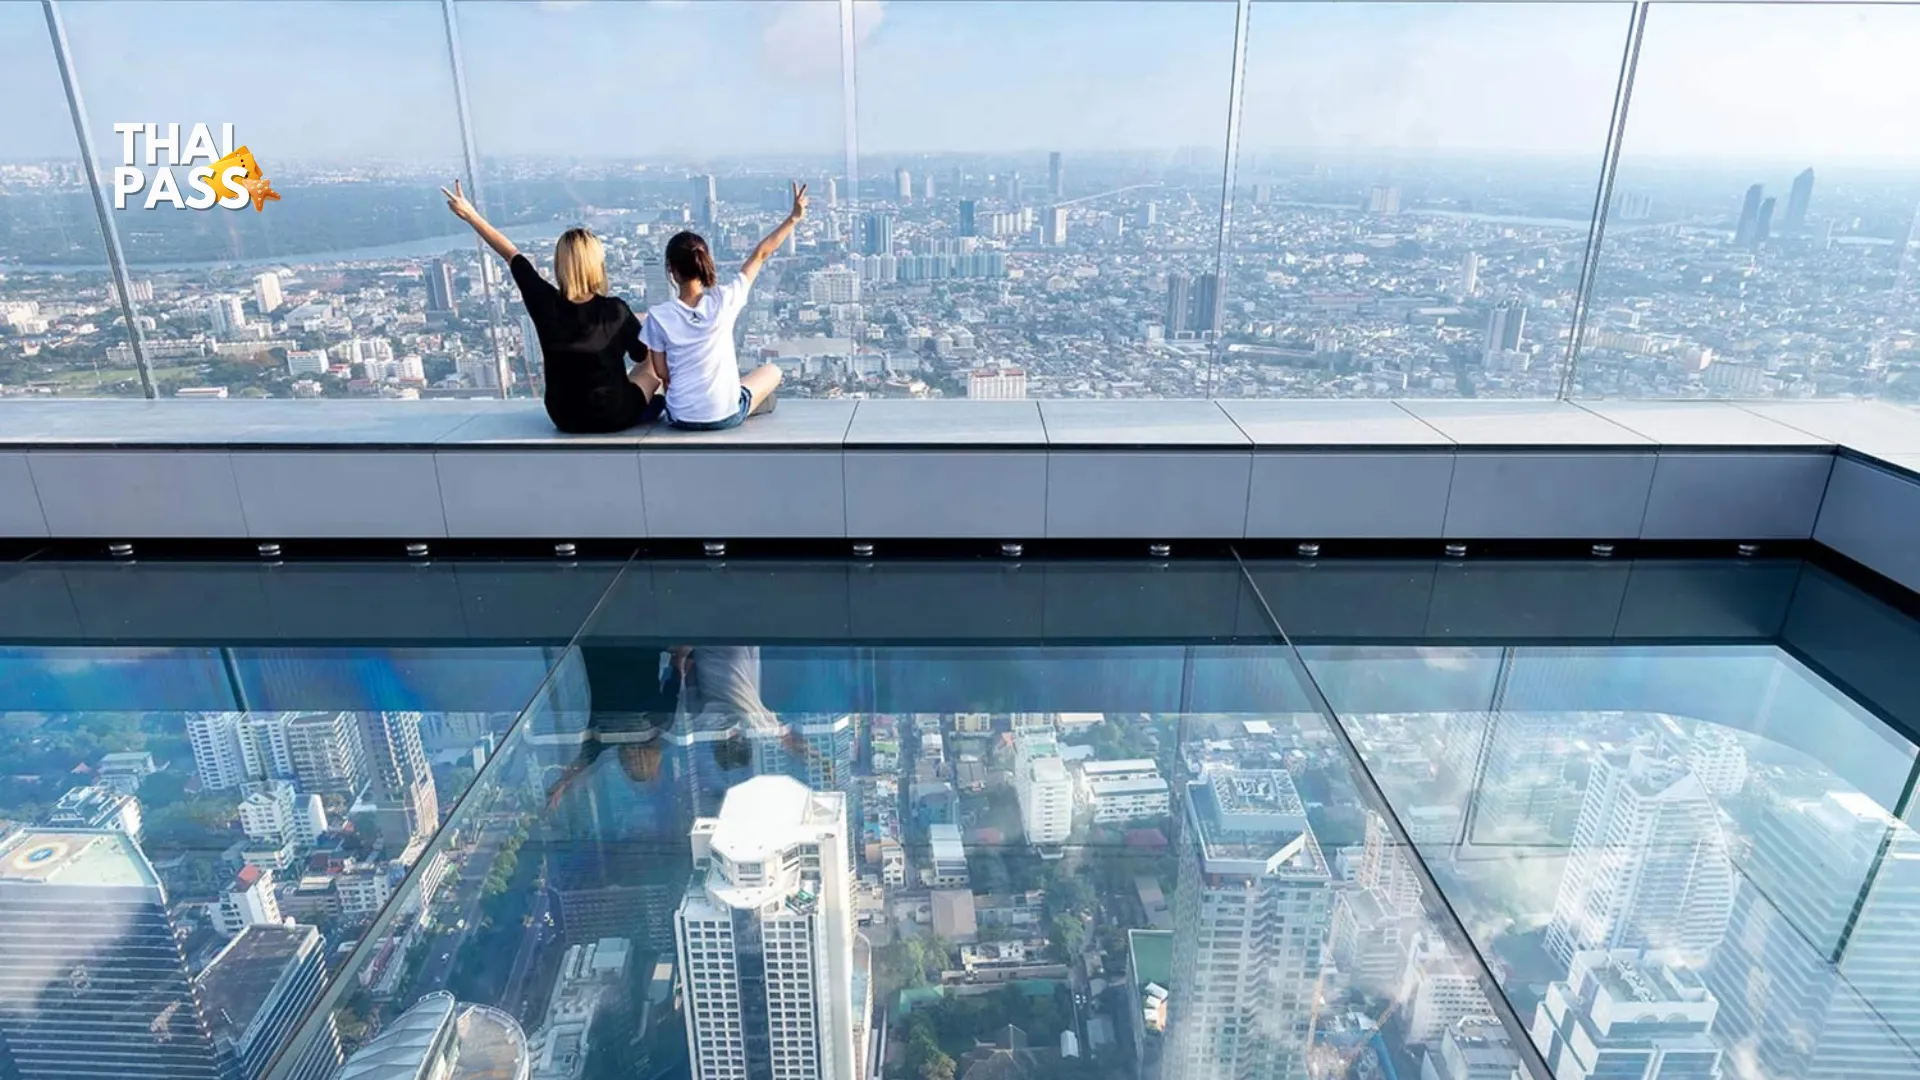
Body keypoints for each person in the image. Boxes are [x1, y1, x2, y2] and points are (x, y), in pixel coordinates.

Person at [441, 180, 662, 434]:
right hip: (613, 413)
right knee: (651, 369)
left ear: (560, 264)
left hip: (565, 416)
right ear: (597, 264)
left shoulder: (543, 301)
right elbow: (643, 357)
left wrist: (470, 215)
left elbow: (511, 254)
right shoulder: (616, 310)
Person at [642, 181, 807, 430]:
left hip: (681, 418)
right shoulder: (725, 300)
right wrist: (793, 218)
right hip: (725, 416)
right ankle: (750, 401)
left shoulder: (658, 316)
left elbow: (663, 374)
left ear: (672, 271)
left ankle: (743, 399)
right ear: (704, 263)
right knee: (773, 371)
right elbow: (761, 254)